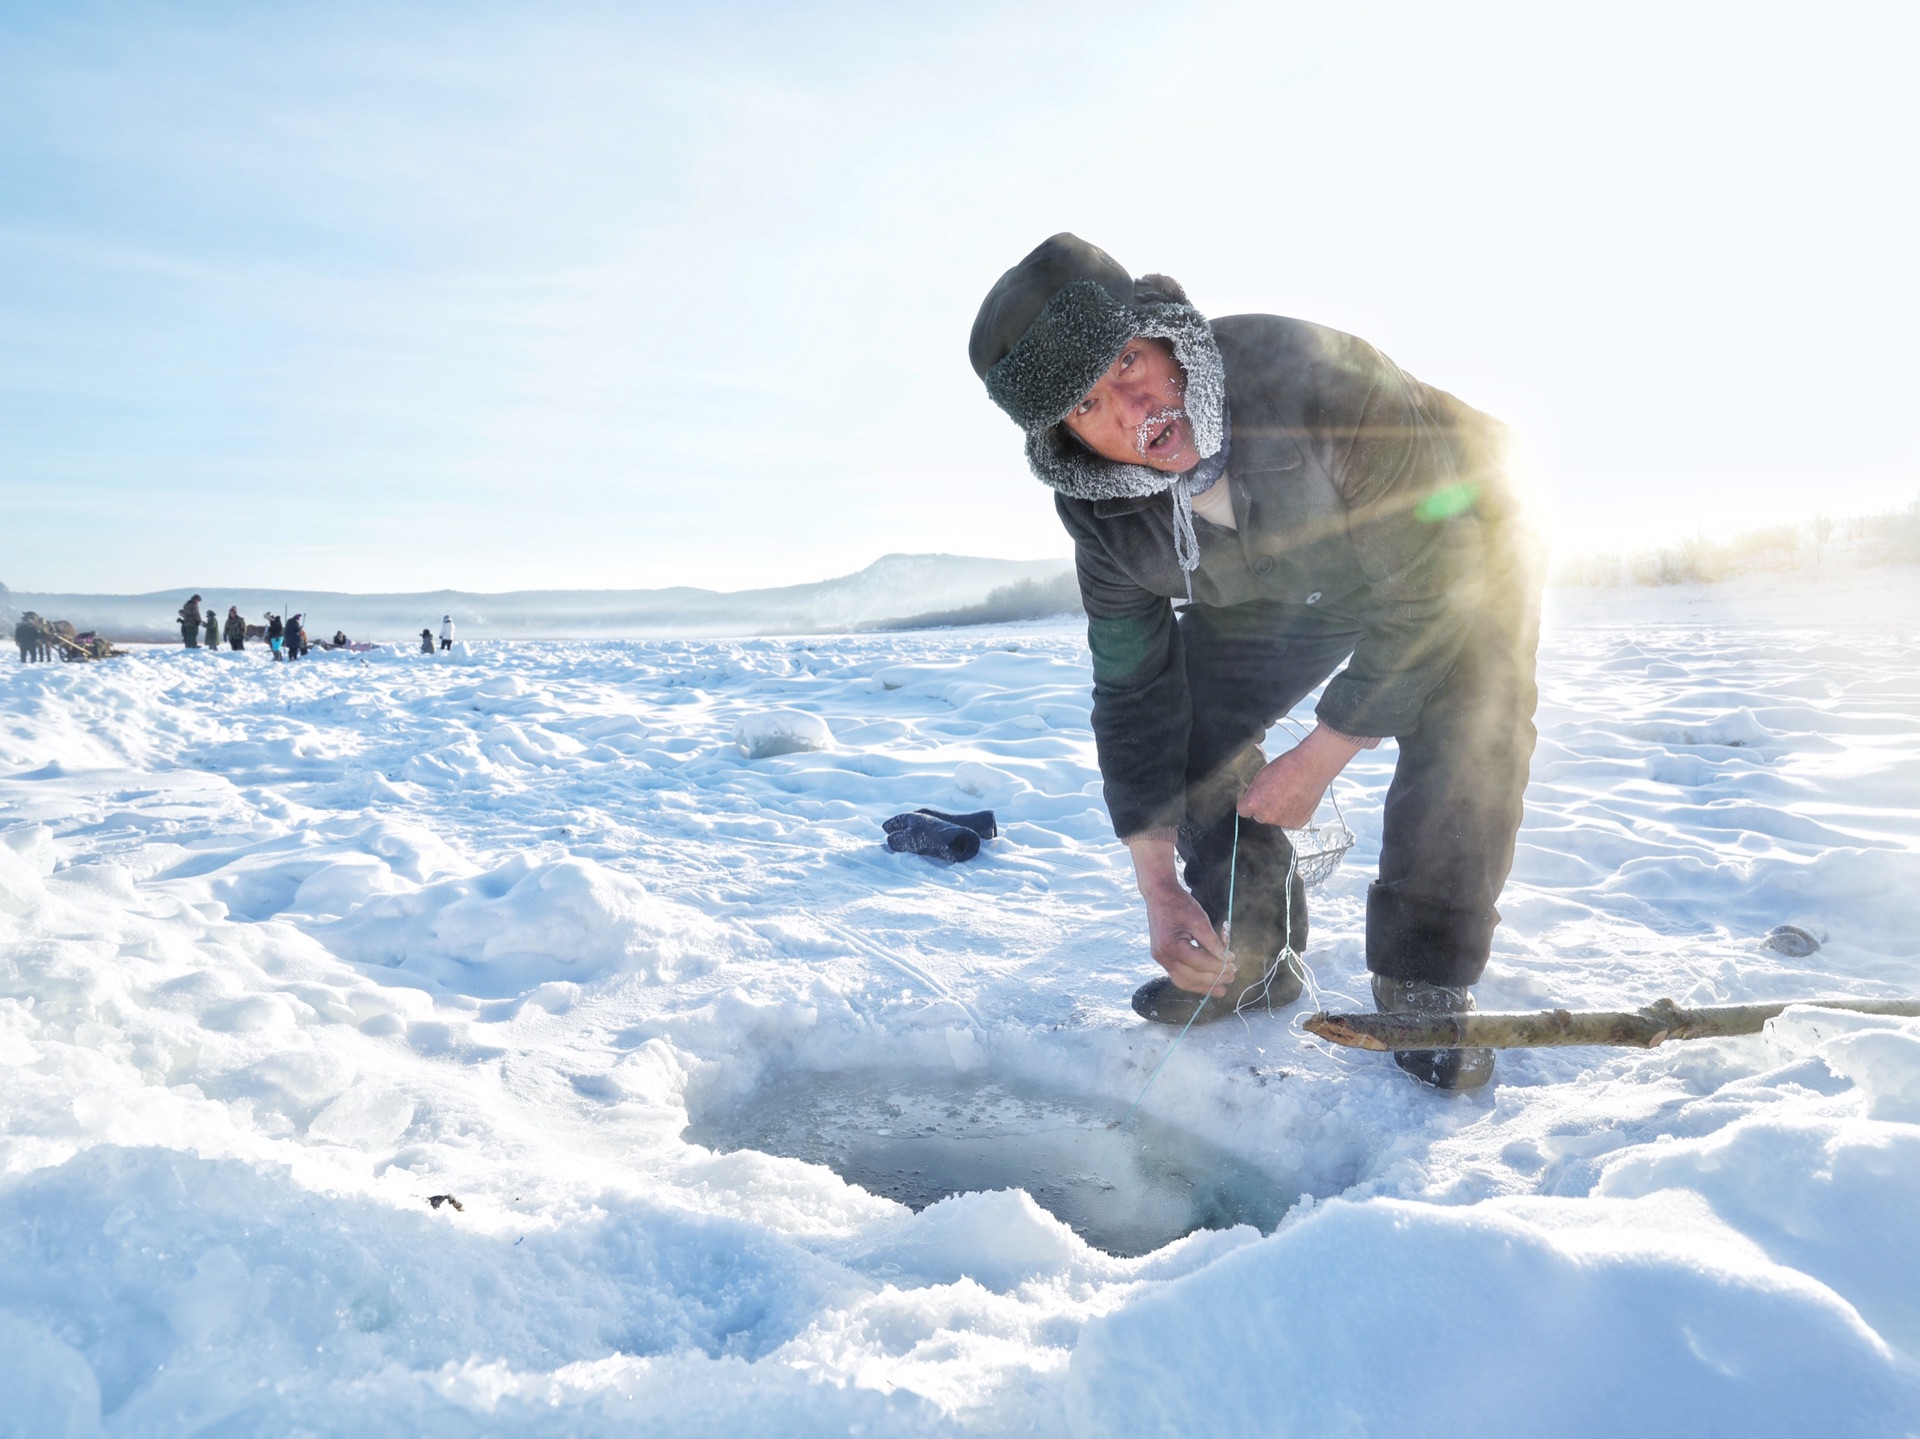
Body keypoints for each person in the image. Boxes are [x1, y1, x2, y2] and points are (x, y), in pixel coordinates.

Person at [969, 234, 1541, 1090]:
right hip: (1284, 579)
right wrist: (1156, 881)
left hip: (1457, 537)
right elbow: (1134, 688)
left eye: (1130, 359)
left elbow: (1432, 588)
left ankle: (1422, 980)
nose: (1131, 407)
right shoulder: (1101, 515)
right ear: (1068, 442)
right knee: (1192, 722)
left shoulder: (1312, 375)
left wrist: (1326, 748)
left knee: (1469, 702)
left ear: (1166, 334)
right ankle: (1253, 952)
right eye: (1090, 404)